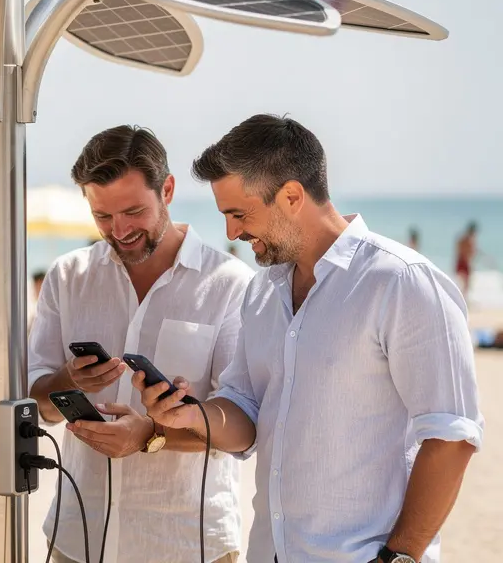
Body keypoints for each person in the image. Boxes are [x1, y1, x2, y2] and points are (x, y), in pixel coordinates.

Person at [138, 114, 483, 563]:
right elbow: (245, 411)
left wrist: (397, 559)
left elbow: (452, 438)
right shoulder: (261, 292)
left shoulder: (402, 282)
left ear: (292, 196)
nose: (232, 233)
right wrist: (192, 416)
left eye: (239, 214)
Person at [27, 125, 254, 563]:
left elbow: (242, 427)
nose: (120, 230)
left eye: (133, 211)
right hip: (78, 538)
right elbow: (37, 404)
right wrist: (68, 380)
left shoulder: (230, 285)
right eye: (102, 216)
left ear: (167, 190)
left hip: (188, 546)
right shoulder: (67, 277)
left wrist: (151, 435)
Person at [455, 221, 477, 297]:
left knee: (462, 283)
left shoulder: (462, 238)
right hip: (464, 262)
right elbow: (470, 253)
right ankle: (462, 298)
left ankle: (461, 297)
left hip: (460, 261)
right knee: (465, 284)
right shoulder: (469, 240)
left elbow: (458, 250)